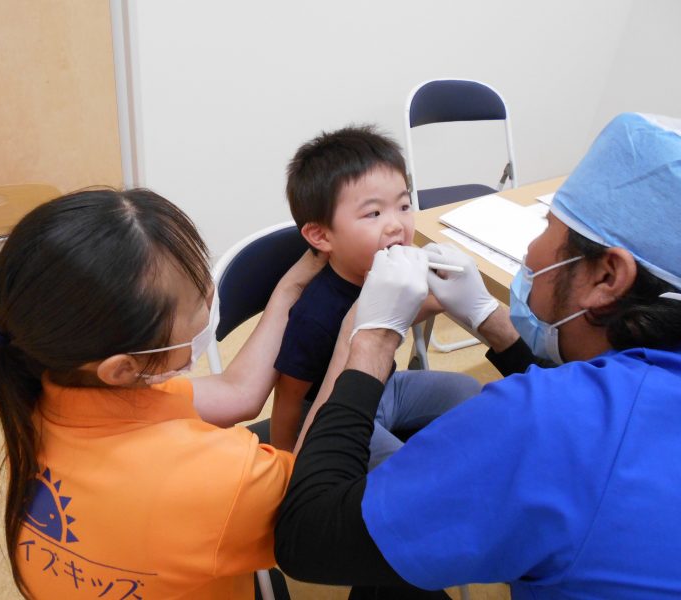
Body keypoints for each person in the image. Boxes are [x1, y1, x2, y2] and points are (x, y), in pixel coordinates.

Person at [275, 112, 681, 599]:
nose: (531, 250)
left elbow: (307, 537)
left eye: (547, 227)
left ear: (608, 277)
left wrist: (372, 339)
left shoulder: (538, 421)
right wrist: (488, 316)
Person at [0, 188, 327, 599]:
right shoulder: (218, 477)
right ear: (123, 367)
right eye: (198, 297)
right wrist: (366, 338)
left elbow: (238, 394)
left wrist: (290, 289)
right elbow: (317, 502)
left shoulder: (44, 394)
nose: (211, 296)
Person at [272, 125, 480, 460]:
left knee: (470, 390)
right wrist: (284, 464)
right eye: (374, 213)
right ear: (321, 236)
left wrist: (450, 295)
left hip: (386, 388)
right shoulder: (315, 314)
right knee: (403, 467)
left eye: (403, 206)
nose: (397, 224)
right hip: (333, 411)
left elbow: (410, 310)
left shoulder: (391, 275)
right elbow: (288, 397)